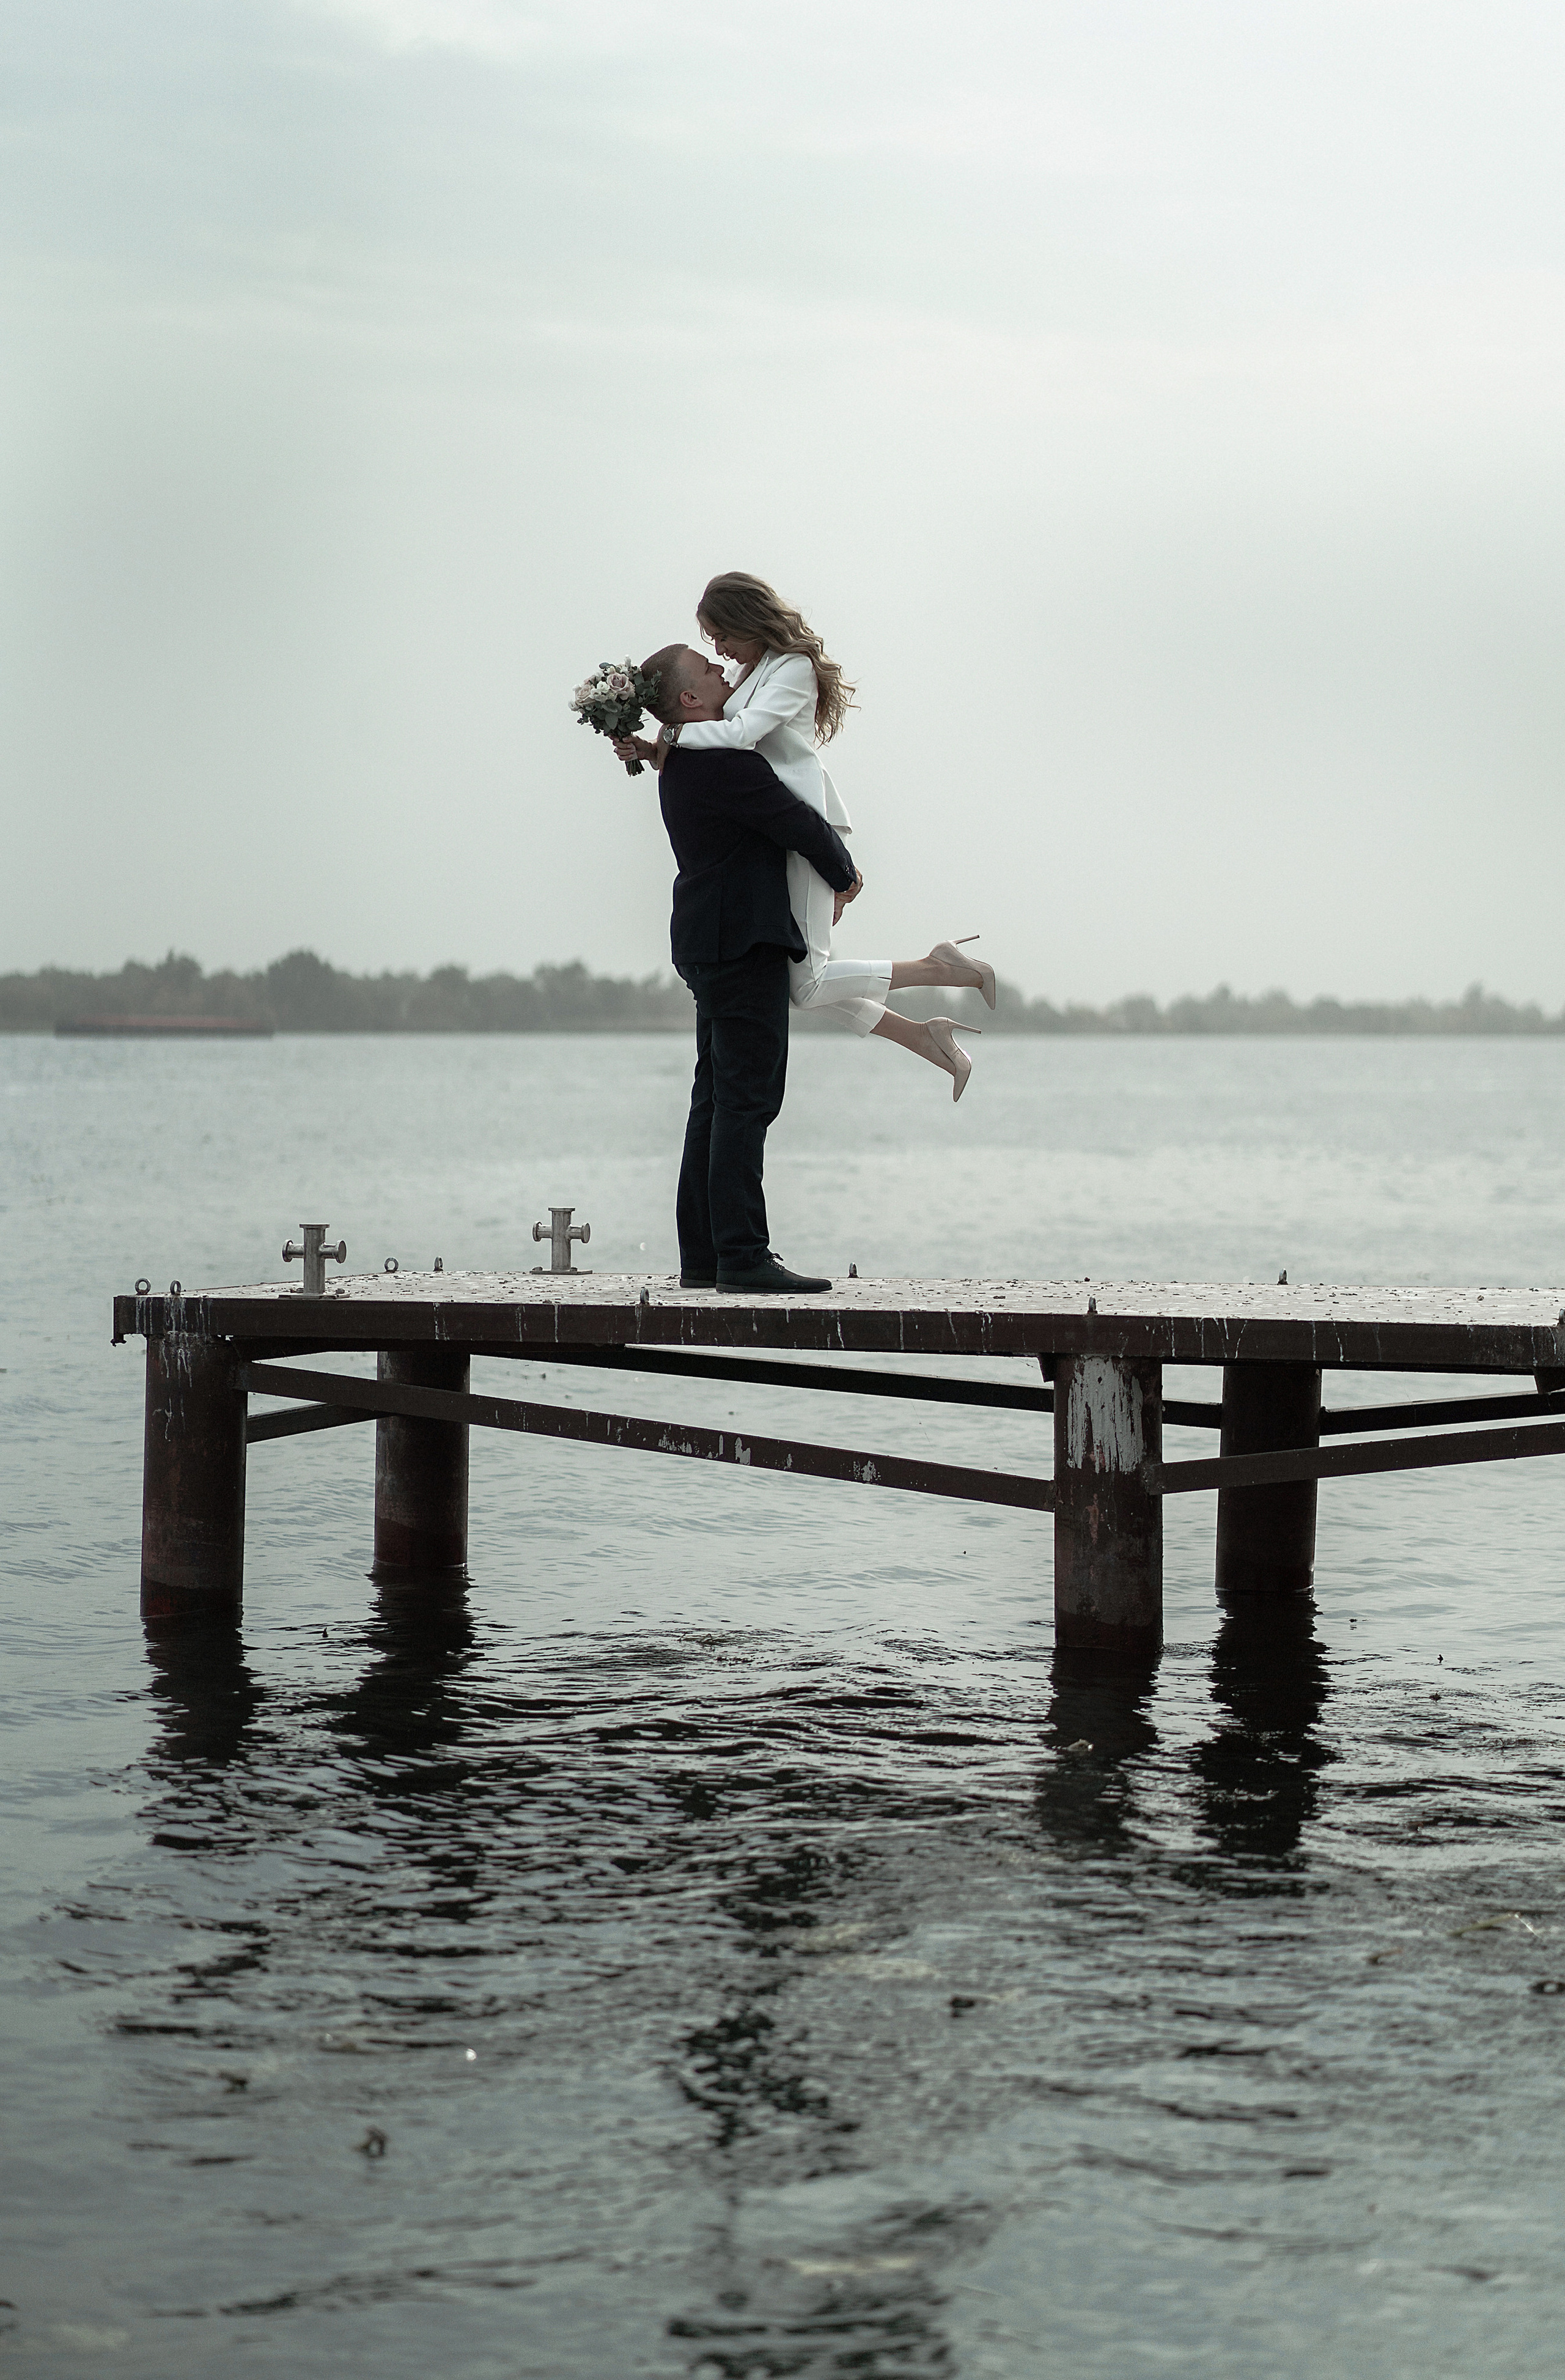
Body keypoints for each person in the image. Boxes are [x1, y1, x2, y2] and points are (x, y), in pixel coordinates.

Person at [615, 570, 992, 1101]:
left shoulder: (791, 669)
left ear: (747, 621)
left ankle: (939, 967)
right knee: (799, 985)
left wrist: (671, 733)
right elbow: (721, 741)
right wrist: (659, 751)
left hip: (805, 823)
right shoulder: (752, 671)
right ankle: (920, 1036)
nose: (719, 651)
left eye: (721, 636)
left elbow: (741, 735)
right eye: (711, 646)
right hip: (776, 828)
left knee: (808, 983)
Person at [645, 642, 859, 1297]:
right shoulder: (725, 764)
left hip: (707, 938)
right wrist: (845, 875)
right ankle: (742, 1253)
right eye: (708, 671)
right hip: (742, 940)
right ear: (689, 698)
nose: (723, 672)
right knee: (747, 1099)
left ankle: (704, 1256)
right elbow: (793, 820)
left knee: (714, 1098)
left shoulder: (681, 757)